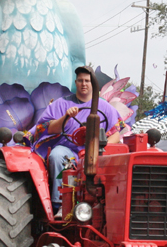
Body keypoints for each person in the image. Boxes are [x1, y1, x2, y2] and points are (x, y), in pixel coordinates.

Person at [33, 66, 125, 213]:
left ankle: (108, 205)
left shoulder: (104, 107)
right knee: (57, 156)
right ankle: (61, 204)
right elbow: (47, 127)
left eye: (87, 81)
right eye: (81, 80)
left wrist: (102, 146)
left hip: (96, 153)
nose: (84, 84)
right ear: (75, 83)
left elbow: (116, 132)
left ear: (93, 84)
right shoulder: (62, 104)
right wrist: (66, 117)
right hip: (68, 150)